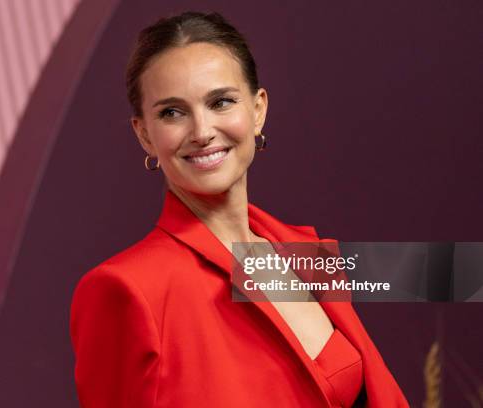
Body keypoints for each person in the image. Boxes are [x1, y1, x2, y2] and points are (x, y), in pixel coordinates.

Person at [70, 11, 408, 407]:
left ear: (258, 109)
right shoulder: (127, 290)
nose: (201, 132)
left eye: (221, 102)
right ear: (144, 133)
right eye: (172, 113)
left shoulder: (300, 250)